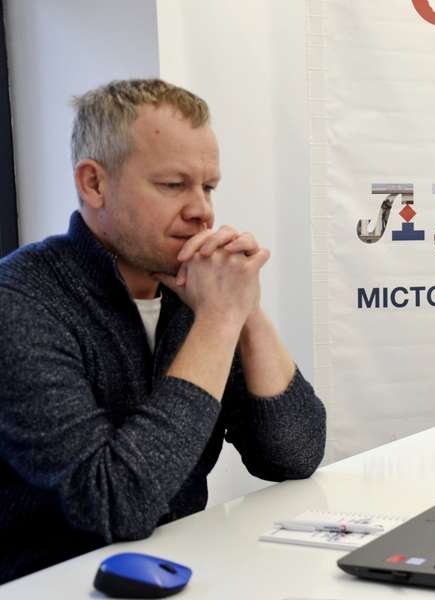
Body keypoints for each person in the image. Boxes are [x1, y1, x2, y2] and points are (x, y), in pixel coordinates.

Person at [0, 79, 326, 583]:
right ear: (94, 184)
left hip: (182, 573)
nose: (202, 211)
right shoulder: (20, 300)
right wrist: (219, 320)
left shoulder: (195, 293)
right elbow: (117, 506)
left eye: (208, 187)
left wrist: (245, 310)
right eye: (173, 185)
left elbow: (294, 455)